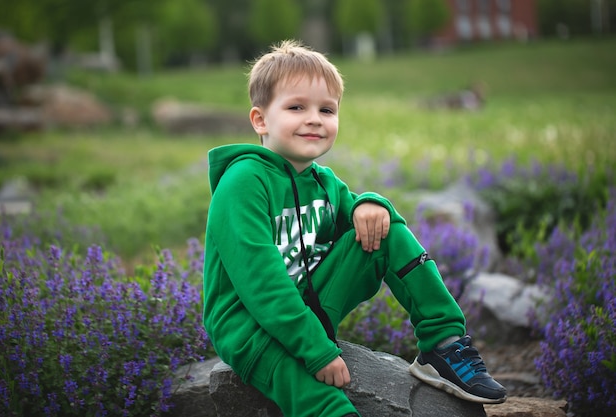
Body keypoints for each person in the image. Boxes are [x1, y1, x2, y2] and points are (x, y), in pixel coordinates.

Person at [203, 39, 506, 417]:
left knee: (384, 226)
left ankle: (442, 344)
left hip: (307, 304)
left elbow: (363, 215)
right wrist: (318, 351)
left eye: (326, 109)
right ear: (261, 119)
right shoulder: (243, 183)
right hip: (251, 327)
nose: (314, 118)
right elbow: (261, 285)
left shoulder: (322, 181)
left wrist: (370, 203)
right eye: (297, 106)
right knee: (323, 400)